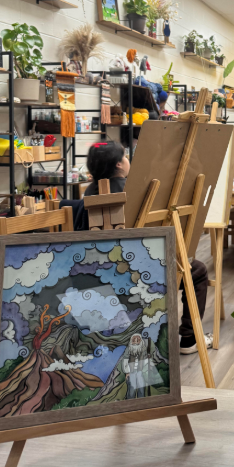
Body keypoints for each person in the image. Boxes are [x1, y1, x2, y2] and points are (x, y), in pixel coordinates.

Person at [82, 143, 212, 355]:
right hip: (133, 271)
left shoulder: (89, 191)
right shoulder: (133, 190)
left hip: (96, 272)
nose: (128, 161)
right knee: (196, 270)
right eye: (125, 157)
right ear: (118, 164)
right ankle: (189, 338)